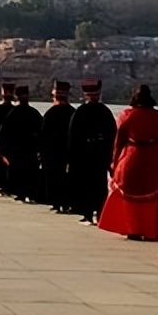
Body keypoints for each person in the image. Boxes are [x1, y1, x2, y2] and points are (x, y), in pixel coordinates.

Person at [98, 85, 158, 241]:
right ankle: (150, 231)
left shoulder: (126, 115)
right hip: (152, 160)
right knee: (151, 200)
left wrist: (114, 163)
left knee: (131, 199)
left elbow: (118, 143)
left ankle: (133, 229)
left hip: (131, 157)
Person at [66, 79, 117, 225]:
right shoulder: (105, 112)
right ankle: (96, 213)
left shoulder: (80, 112)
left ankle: (91, 213)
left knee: (93, 186)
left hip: (88, 155)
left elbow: (73, 137)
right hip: (97, 155)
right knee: (95, 185)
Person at [0, 84, 42, 201]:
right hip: (27, 148)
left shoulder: (14, 113)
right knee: (28, 171)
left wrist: (0, 144)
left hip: (20, 149)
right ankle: (28, 193)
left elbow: (4, 131)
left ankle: (21, 192)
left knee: (20, 171)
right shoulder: (33, 113)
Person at [39, 81, 76, 213]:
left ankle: (56, 202)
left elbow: (43, 135)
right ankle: (67, 203)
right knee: (67, 178)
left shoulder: (50, 113)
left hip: (52, 152)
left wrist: (41, 152)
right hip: (68, 152)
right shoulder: (73, 113)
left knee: (54, 178)